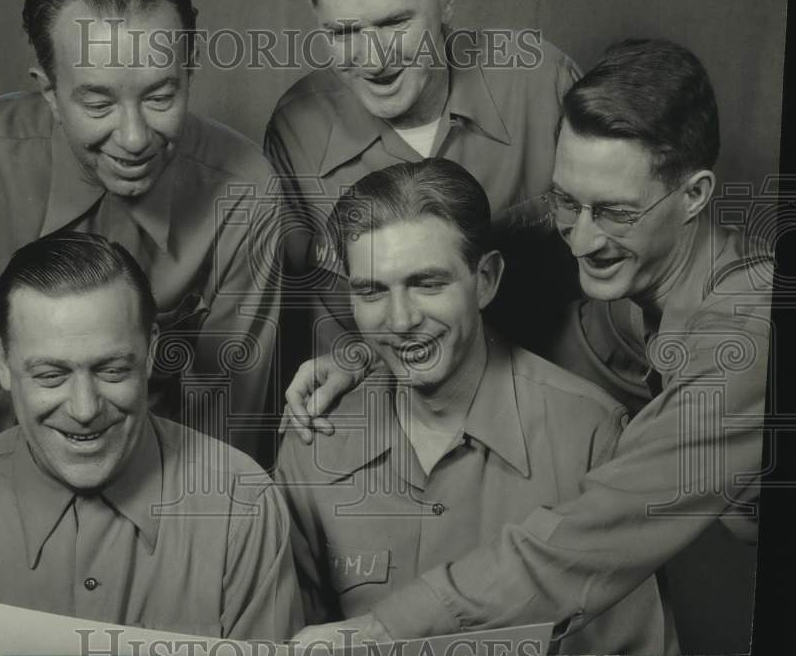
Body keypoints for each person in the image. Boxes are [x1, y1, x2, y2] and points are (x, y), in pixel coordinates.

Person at [287, 39, 774, 646]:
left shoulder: (747, 340)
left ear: (696, 195)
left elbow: (589, 541)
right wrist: (361, 355)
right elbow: (457, 264)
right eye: (567, 201)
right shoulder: (626, 284)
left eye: (614, 212)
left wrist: (387, 630)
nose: (579, 239)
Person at [0, 0, 282, 516]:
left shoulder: (246, 192)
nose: (135, 137)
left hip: (161, 502)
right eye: (97, 101)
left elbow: (227, 416)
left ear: (190, 73)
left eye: (161, 97)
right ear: (48, 91)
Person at [275, 160, 677, 654]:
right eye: (372, 291)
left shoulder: (591, 436)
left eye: (428, 283)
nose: (400, 321)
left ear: (485, 279)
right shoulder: (315, 439)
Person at [0, 233, 301, 655]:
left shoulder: (240, 505)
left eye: (111, 370)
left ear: (150, 354)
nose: (85, 408)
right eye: (51, 375)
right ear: (2, 360)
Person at [263, 0, 581, 363]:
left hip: (551, 388)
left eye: (395, 23)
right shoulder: (296, 131)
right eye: (343, 33)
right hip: (393, 399)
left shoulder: (541, 82)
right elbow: (322, 327)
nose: (373, 60)